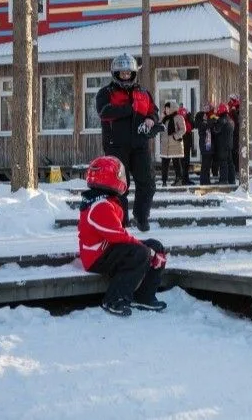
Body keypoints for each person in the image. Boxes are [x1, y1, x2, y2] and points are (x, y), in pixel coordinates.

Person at [78, 155, 167, 317]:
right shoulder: (99, 205)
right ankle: (114, 299)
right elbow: (117, 235)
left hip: (108, 250)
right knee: (141, 252)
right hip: (96, 257)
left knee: (156, 246)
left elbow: (118, 237)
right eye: (120, 175)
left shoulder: (106, 201)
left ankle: (144, 296)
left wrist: (149, 249)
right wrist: (144, 249)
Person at [96, 53, 161, 232]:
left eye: (128, 73)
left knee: (147, 183)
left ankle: (141, 216)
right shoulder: (106, 92)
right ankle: (120, 221)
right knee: (118, 186)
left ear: (133, 73)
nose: (125, 76)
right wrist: (129, 109)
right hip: (116, 145)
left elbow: (153, 111)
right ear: (115, 73)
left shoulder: (143, 92)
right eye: (122, 73)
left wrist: (151, 119)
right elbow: (104, 111)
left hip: (140, 145)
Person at [160, 101, 186, 186]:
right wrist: (161, 117)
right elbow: (159, 126)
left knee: (176, 163)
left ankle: (178, 180)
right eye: (166, 108)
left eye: (168, 108)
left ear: (172, 108)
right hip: (165, 145)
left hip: (175, 144)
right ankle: (164, 181)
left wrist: (175, 137)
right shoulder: (165, 118)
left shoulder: (179, 117)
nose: (166, 110)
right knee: (164, 164)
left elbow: (183, 129)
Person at [212, 102, 236, 184]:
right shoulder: (230, 120)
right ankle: (232, 179)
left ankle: (223, 180)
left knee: (223, 163)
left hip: (222, 145)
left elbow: (216, 130)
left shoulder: (221, 120)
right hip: (229, 145)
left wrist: (213, 123)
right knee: (230, 163)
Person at [193, 103, 216, 185]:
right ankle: (203, 181)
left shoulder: (211, 116)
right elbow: (201, 126)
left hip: (210, 143)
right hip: (204, 143)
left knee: (208, 163)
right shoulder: (200, 117)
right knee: (205, 162)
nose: (206, 109)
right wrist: (206, 122)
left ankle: (207, 180)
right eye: (205, 107)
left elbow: (213, 124)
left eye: (208, 107)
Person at [178, 104, 195, 185]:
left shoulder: (187, 121)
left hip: (186, 145)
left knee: (186, 163)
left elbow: (193, 125)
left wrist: (189, 115)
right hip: (182, 145)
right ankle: (184, 179)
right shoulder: (180, 123)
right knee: (184, 163)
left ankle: (186, 179)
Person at [227, 94, 241, 176]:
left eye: (232, 99)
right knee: (232, 151)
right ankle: (233, 169)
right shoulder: (230, 106)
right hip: (231, 132)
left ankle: (236, 169)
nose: (230, 101)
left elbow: (238, 120)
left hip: (236, 133)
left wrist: (234, 111)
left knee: (236, 151)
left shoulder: (238, 108)